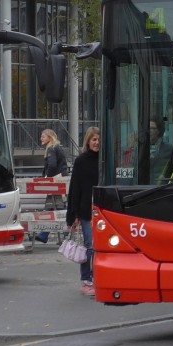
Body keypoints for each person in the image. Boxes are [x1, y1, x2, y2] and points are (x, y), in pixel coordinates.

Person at [66, 127, 99, 297]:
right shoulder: (81, 161)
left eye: (99, 139)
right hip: (87, 211)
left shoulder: (106, 160)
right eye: (94, 139)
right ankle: (87, 280)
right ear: (88, 141)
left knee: (100, 247)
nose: (97, 142)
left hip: (103, 210)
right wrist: (74, 214)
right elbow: (75, 188)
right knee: (89, 247)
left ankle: (97, 278)